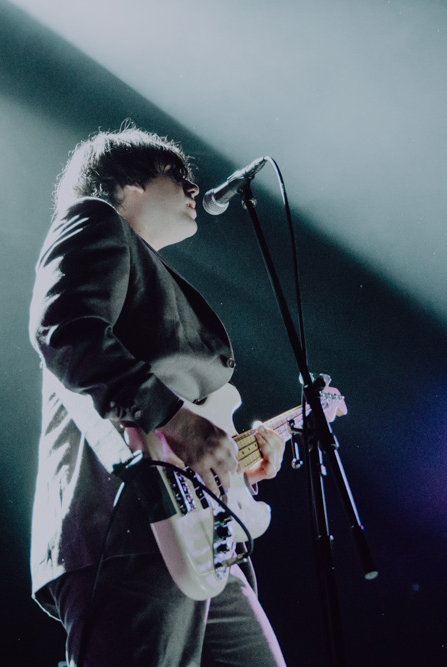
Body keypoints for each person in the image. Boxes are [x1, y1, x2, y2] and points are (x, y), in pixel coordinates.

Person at [28, 125, 288, 666]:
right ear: (130, 185)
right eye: (179, 176)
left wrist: (237, 457)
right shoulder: (92, 219)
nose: (195, 190)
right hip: (123, 527)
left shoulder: (146, 268)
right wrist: (181, 423)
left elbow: (180, 418)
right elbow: (64, 331)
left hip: (200, 537)